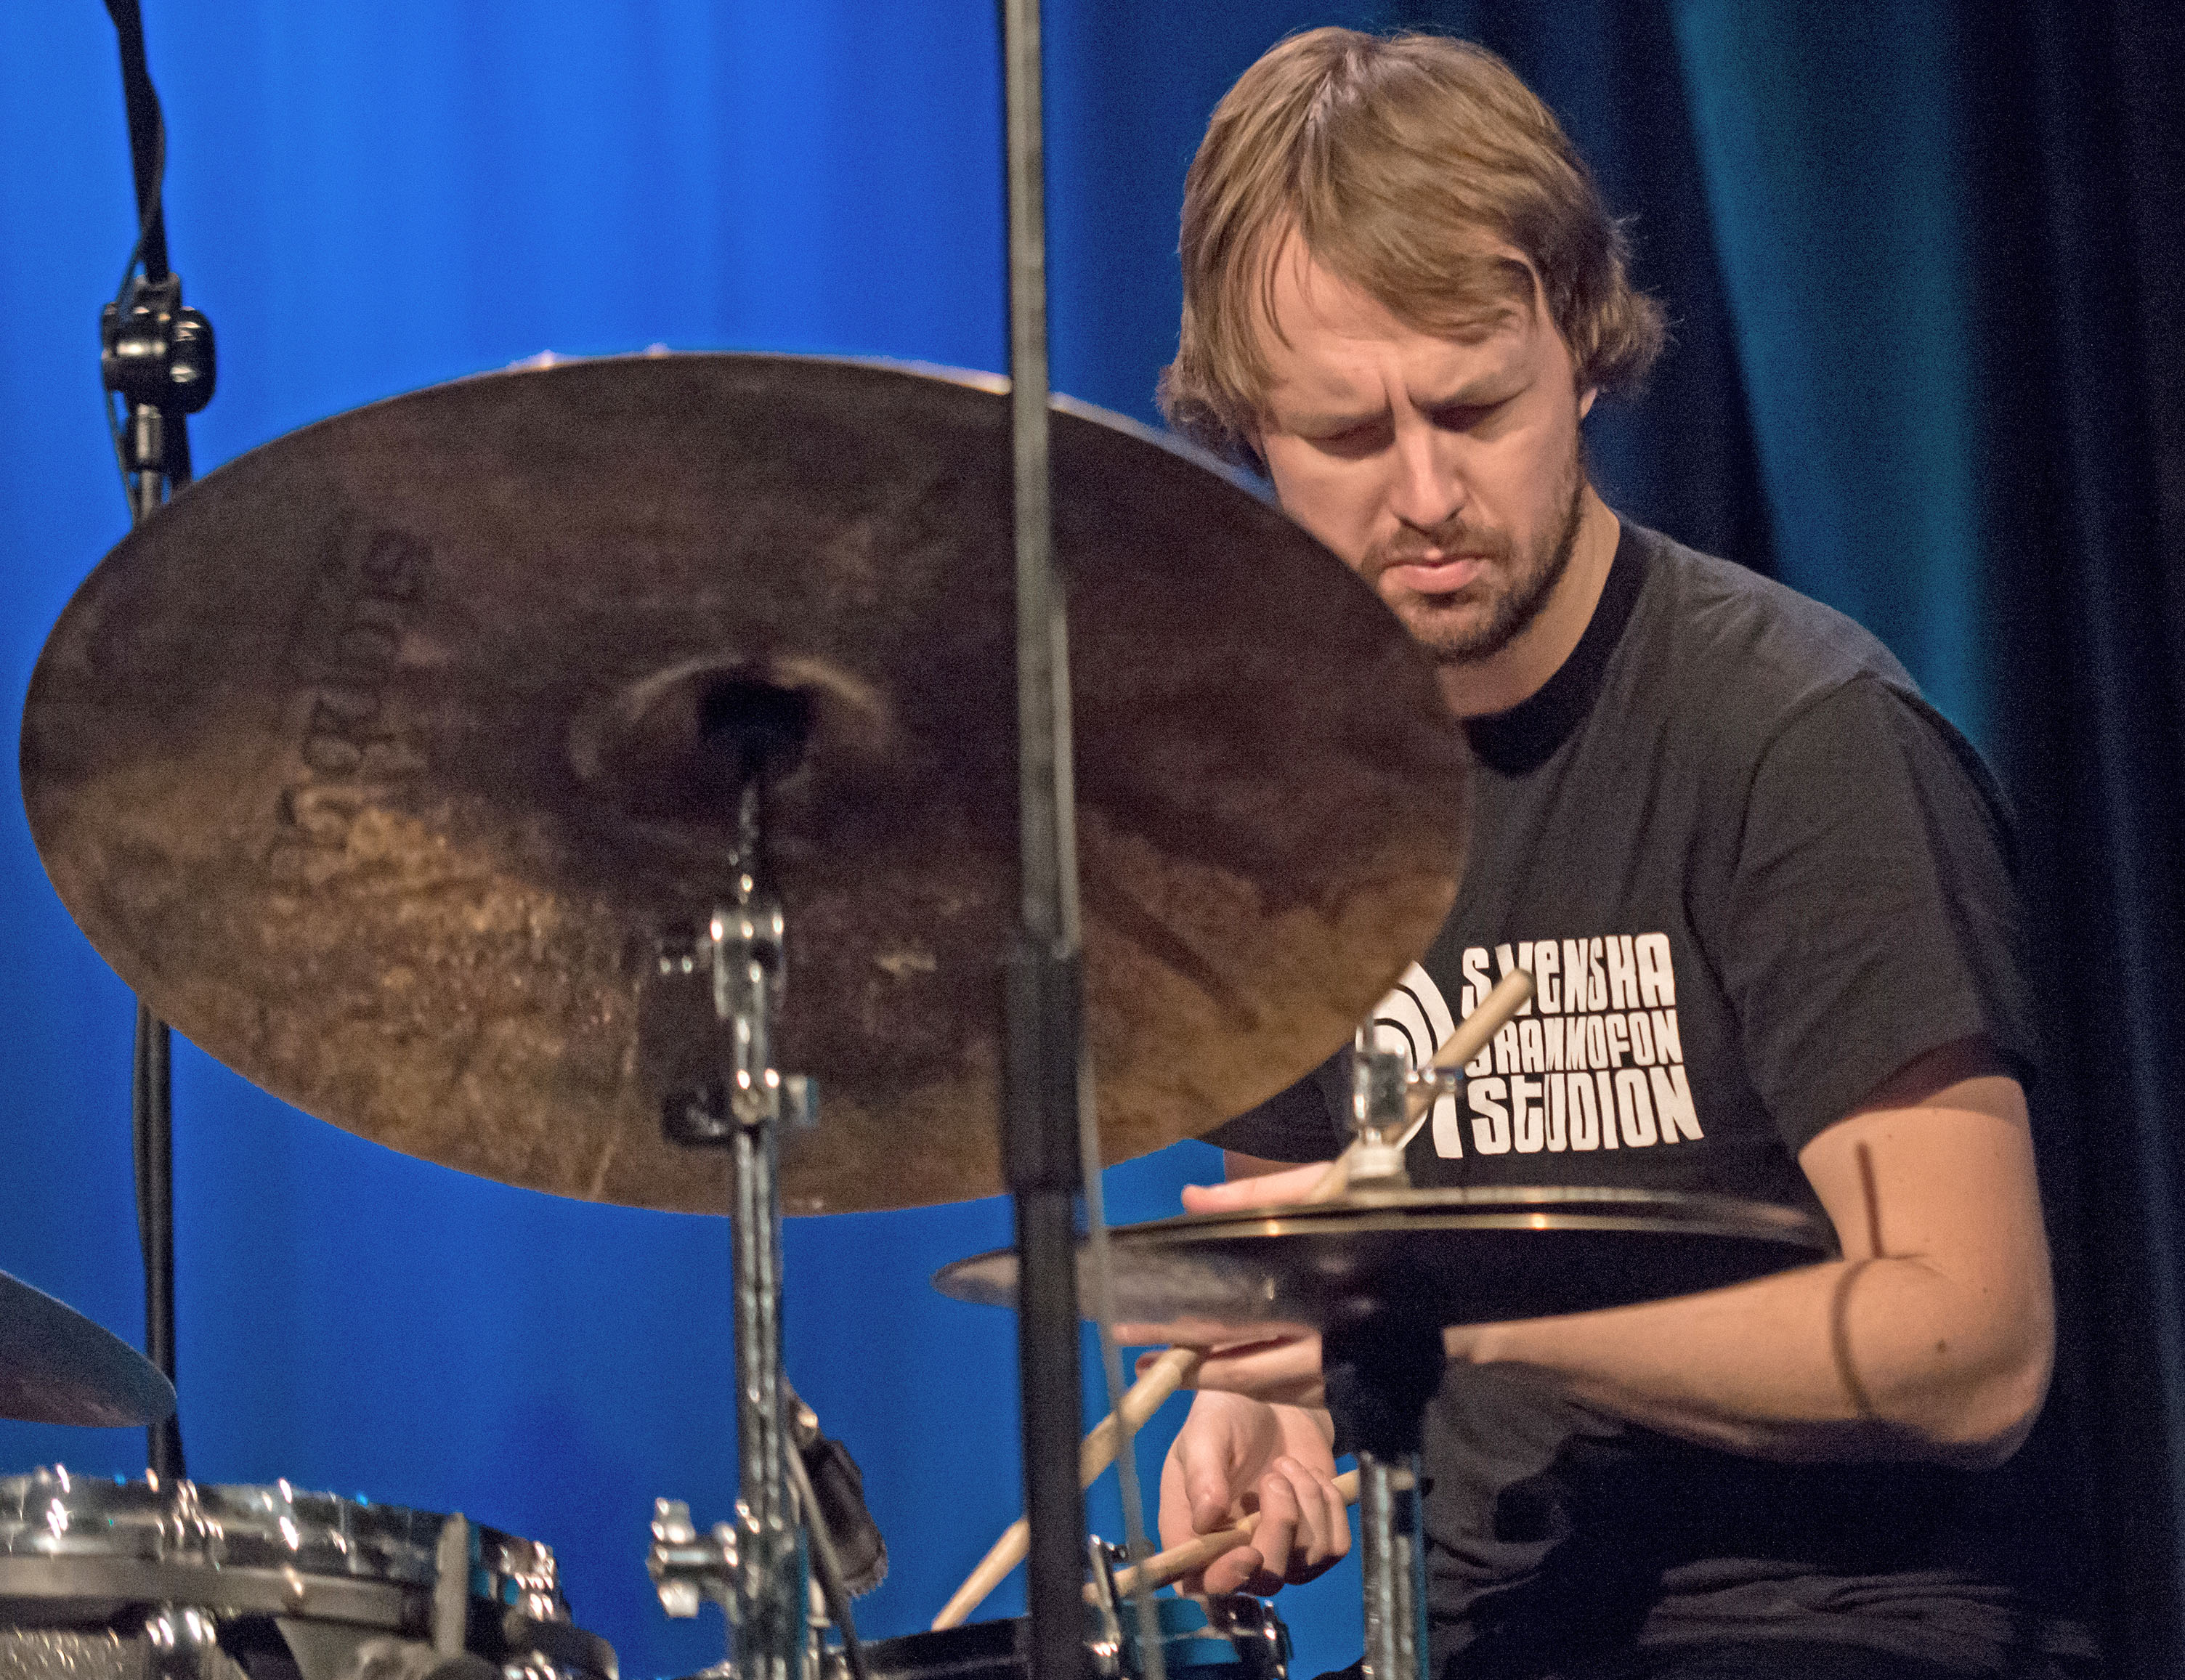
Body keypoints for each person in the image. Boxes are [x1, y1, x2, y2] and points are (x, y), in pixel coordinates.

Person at [1147, 27, 2095, 1680]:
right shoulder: (1287, 801)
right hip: (1490, 1631)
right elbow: (1297, 1284)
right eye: (1347, 437)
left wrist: (1461, 1310)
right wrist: (1257, 1421)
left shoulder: (1799, 739)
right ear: (1249, 436)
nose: (1425, 491)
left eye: (1474, 406)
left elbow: (1973, 1340)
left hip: (1834, 1621)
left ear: (1580, 352)